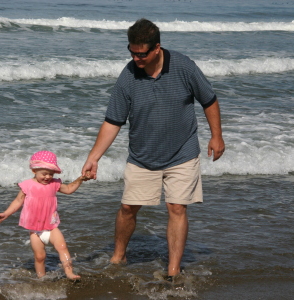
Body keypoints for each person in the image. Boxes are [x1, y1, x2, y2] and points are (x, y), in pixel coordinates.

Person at [81, 18, 225, 280]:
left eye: (141, 53)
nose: (136, 58)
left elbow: (209, 100)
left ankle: (173, 269)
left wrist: (217, 136)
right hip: (142, 156)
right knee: (128, 208)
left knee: (177, 208)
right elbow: (113, 121)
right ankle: (118, 255)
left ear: (157, 48)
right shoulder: (128, 76)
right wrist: (93, 158)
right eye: (132, 52)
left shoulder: (184, 67)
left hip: (182, 152)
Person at [0, 150, 91, 280]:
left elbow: (69, 189)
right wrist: (6, 213)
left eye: (50, 174)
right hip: (34, 230)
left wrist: (80, 179)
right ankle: (41, 278)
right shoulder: (27, 185)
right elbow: (18, 201)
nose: (47, 177)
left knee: (62, 247)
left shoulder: (54, 184)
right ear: (34, 171)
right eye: (44, 174)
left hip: (51, 226)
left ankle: (69, 273)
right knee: (40, 257)